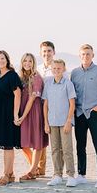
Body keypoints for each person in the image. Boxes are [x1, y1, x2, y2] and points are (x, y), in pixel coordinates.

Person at [70, 44, 97, 188]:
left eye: (88, 54)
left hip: (94, 114)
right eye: (83, 54)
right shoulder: (74, 73)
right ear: (79, 56)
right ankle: (81, 175)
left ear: (93, 55)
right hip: (80, 114)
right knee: (80, 145)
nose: (85, 56)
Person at [0, 50, 22, 186]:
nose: (0, 61)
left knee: (8, 144)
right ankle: (11, 173)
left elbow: (17, 95)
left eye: (3, 58)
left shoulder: (12, 75)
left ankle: (7, 174)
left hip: (8, 111)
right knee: (5, 144)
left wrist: (15, 114)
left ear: (7, 60)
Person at [42, 59, 77, 188]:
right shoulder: (48, 83)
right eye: (54, 68)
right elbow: (45, 104)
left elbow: (72, 104)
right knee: (55, 149)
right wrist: (46, 122)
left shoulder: (68, 84)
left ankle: (71, 176)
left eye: (59, 68)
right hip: (52, 122)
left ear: (63, 69)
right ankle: (57, 175)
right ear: (51, 69)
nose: (56, 71)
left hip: (64, 122)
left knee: (67, 149)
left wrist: (69, 121)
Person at [16, 53, 48, 181]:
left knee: (36, 142)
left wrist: (23, 116)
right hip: (23, 111)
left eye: (30, 61)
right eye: (25, 61)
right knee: (23, 143)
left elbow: (32, 99)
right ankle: (34, 168)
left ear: (33, 63)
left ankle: (32, 171)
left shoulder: (36, 77)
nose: (27, 63)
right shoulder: (21, 77)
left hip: (34, 111)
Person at [35, 41, 56, 177]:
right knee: (39, 138)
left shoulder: (58, 68)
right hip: (39, 105)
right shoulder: (38, 69)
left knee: (55, 140)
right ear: (40, 53)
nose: (46, 54)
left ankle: (58, 171)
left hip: (55, 106)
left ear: (53, 52)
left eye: (49, 51)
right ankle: (39, 168)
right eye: (44, 51)